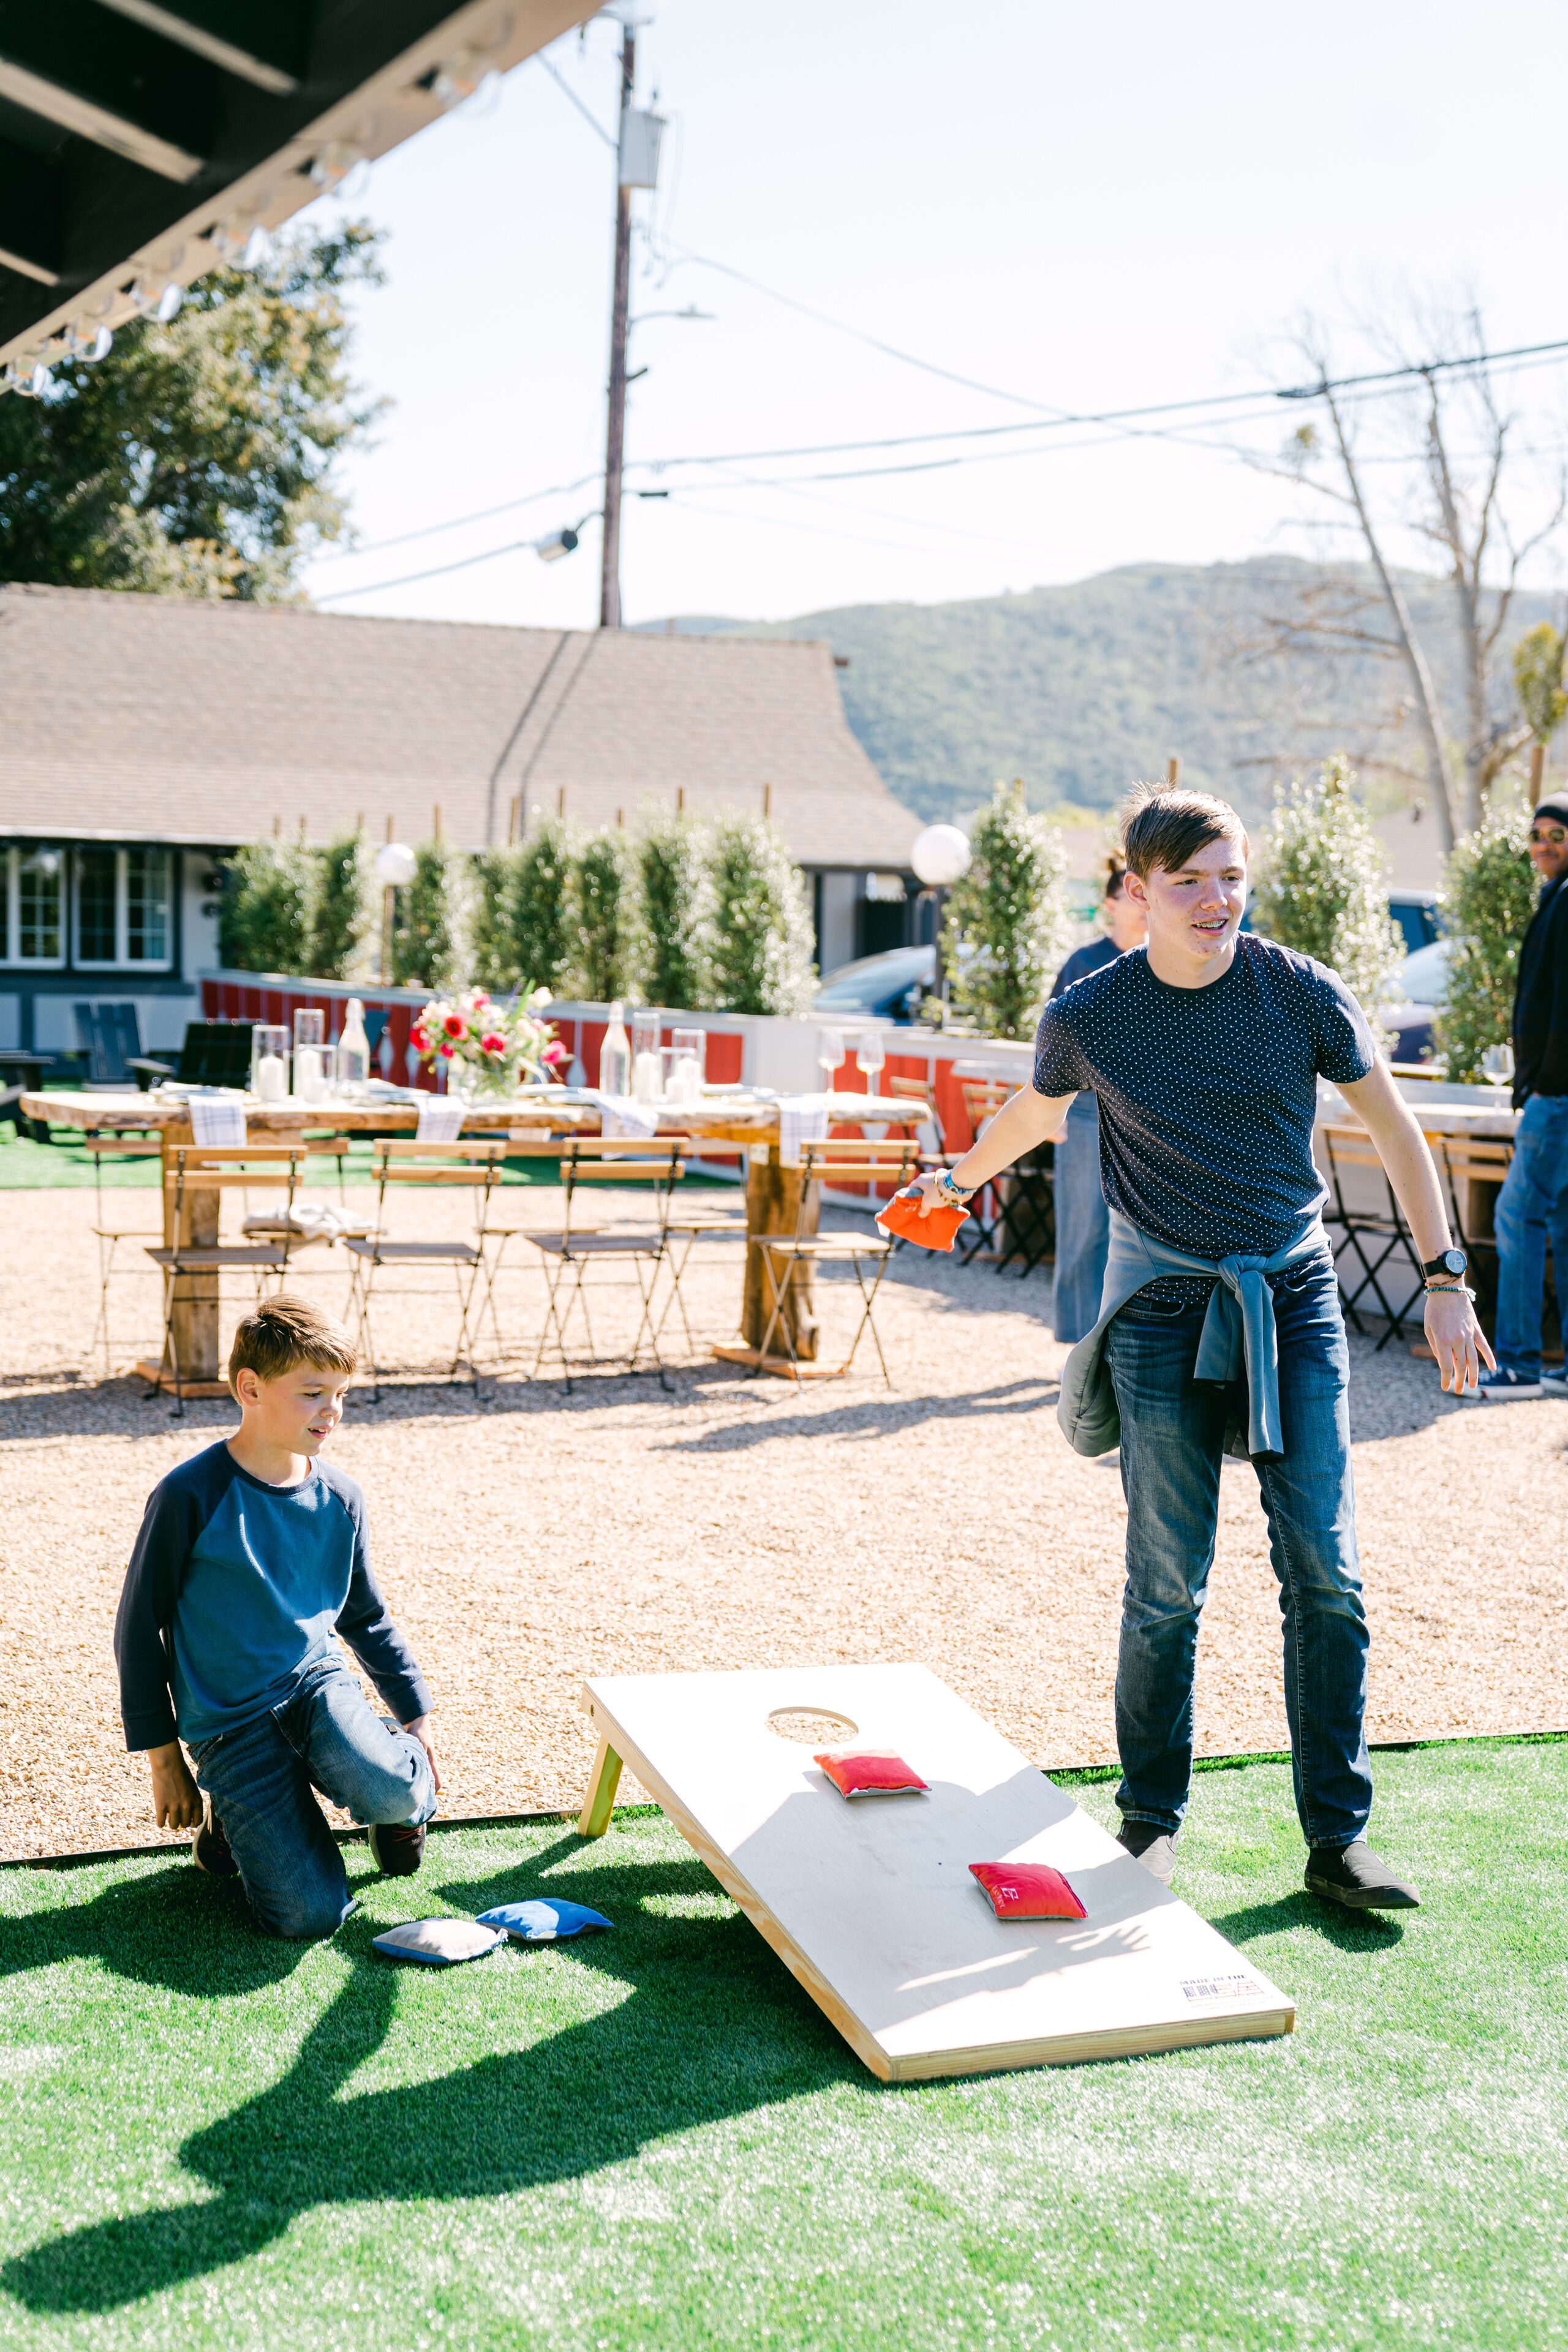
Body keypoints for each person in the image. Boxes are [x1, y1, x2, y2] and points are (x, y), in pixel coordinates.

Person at [910, 783, 1492, 1910]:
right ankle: (1148, 1826)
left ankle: (1338, 1840)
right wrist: (956, 1179)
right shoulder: (1094, 1013)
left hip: (1294, 1296)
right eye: (1189, 882)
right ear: (1139, 890)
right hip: (1165, 1312)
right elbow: (1033, 1120)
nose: (1217, 900)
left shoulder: (1296, 992)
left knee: (1328, 1573)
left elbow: (1395, 1130)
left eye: (1231, 877)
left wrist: (1445, 1279)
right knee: (1167, 1584)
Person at [115, 1294, 440, 1941]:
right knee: (307, 1917)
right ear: (250, 1388)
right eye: (314, 1392)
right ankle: (229, 1822)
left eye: (341, 1394)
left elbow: (365, 1616)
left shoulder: (341, 1498)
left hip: (319, 1691)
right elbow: (136, 1631)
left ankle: (399, 1804)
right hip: (230, 1727)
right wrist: (164, 1762)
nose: (333, 1411)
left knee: (397, 1784)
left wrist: (416, 1721)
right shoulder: (188, 1495)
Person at [1471, 791, 1568, 1398]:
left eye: (1555, 834)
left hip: (1557, 1094)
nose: (1542, 845)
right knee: (1558, 1217)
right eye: (1536, 835)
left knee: (1516, 1214)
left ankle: (1517, 1363)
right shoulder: (1554, 898)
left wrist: (1543, 1083)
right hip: (1554, 1089)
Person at [1047, 854, 1149, 1343]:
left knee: (1134, 1235)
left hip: (1144, 1116)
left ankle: (1121, 1342)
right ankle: (1076, 1342)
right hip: (1086, 1112)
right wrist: (1054, 1109)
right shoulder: (1083, 964)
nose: (1143, 906)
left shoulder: (1168, 961)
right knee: (1083, 1228)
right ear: (1112, 903)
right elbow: (1050, 1041)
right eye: (1133, 897)